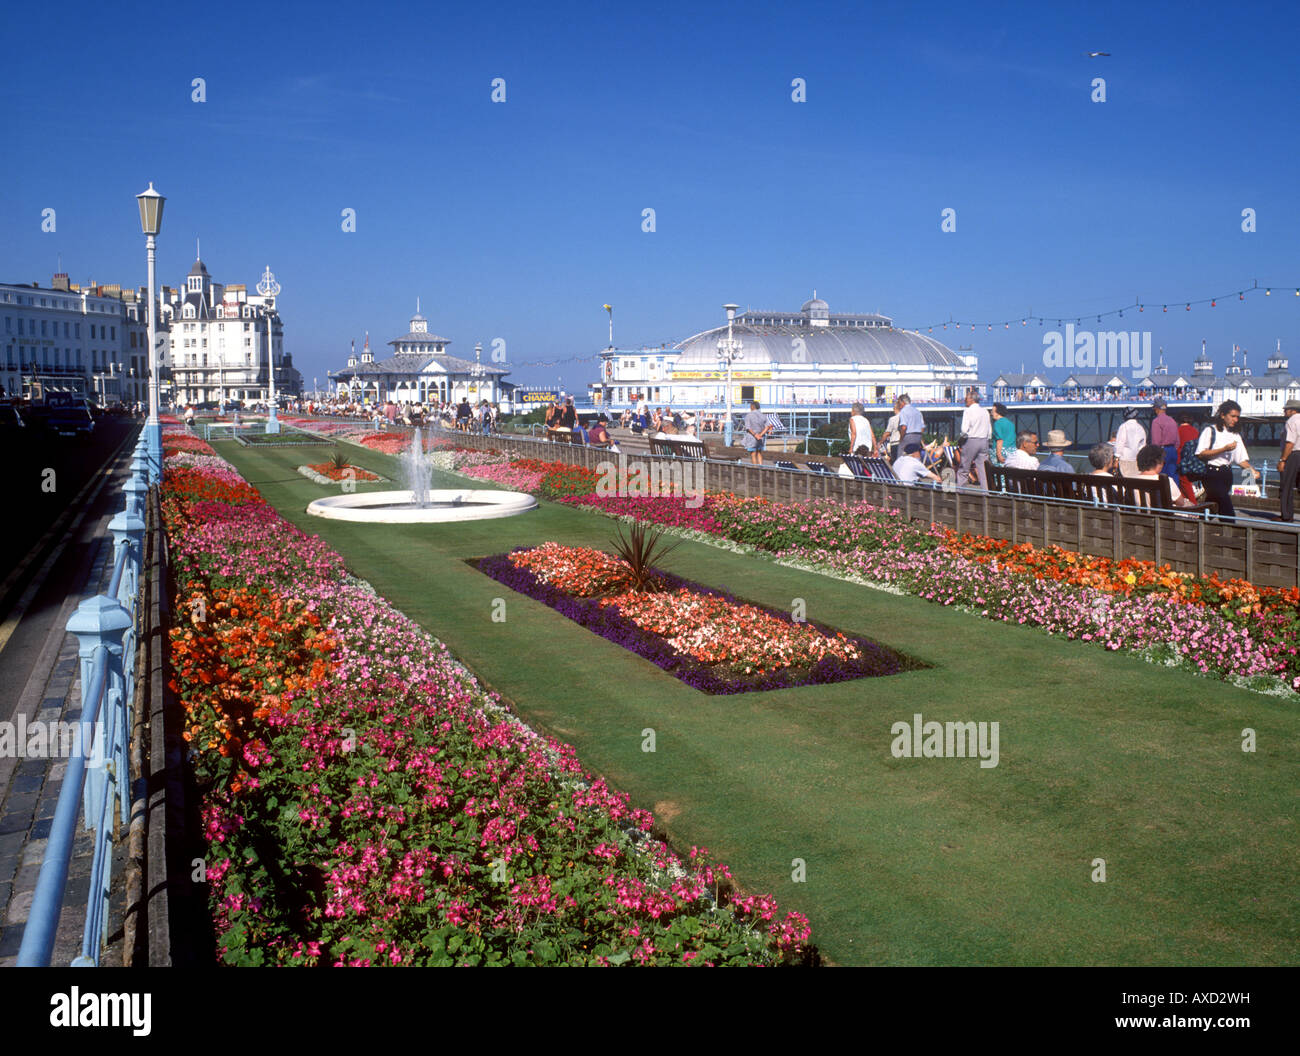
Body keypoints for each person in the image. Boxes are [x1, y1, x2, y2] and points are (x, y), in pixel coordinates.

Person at [1195, 400, 1259, 520]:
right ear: (1223, 415)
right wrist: (1224, 449)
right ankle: (1231, 529)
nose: (1235, 420)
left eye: (1237, 417)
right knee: (1225, 503)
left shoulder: (1235, 435)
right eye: (1232, 416)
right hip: (1211, 472)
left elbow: (1240, 460)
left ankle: (1199, 526)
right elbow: (1201, 454)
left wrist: (1252, 470)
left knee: (1213, 503)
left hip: (1226, 474)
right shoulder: (1210, 431)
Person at [1135, 443, 1195, 508]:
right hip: (1161, 516)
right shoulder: (1166, 480)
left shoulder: (1131, 479)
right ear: (1158, 463)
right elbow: (1180, 502)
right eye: (1163, 462)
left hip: (1134, 516)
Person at [958, 387, 991, 488]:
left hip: (972, 440)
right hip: (984, 441)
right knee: (983, 469)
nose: (964, 400)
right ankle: (986, 492)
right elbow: (989, 430)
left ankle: (960, 491)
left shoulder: (968, 411)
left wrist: (961, 440)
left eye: (966, 398)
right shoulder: (985, 411)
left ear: (972, 399)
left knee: (964, 468)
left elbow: (964, 430)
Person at [1279, 399, 1300, 522]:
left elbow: (1290, 443)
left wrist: (1283, 460)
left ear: (1292, 410)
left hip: (1294, 455)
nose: (1284, 411)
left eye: (1286, 409)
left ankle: (1286, 516)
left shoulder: (1291, 421)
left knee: (1287, 485)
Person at [1149, 397, 1180, 479]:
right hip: (1173, 450)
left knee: (1161, 477)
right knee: (1173, 476)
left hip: (1162, 451)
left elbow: (1156, 442)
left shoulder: (1156, 421)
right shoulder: (1172, 420)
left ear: (1156, 409)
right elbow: (1177, 441)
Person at [1175, 414, 1201, 502]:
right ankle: (1184, 503)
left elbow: (1177, 446)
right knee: (1185, 483)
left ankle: (1194, 504)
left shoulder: (1178, 431)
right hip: (1193, 461)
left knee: (1184, 482)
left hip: (1181, 460)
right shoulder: (1195, 431)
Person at [1114, 406, 1146, 476]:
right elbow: (1142, 446)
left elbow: (1120, 444)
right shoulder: (1140, 428)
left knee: (1126, 480)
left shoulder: (1124, 426)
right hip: (1137, 459)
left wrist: (1116, 459)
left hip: (1125, 459)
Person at [741, 400, 770, 465]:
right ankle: (761, 467)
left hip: (752, 437)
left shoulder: (749, 415)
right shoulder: (763, 415)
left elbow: (748, 427)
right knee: (759, 453)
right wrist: (760, 435)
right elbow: (767, 427)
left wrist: (755, 435)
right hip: (761, 437)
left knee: (753, 454)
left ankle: (755, 470)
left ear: (752, 407)